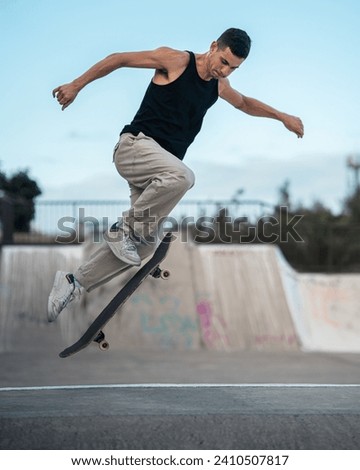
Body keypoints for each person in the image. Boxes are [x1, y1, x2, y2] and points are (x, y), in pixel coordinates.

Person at [48, 27, 304, 322]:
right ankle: (123, 230)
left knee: (143, 246)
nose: (224, 71)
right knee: (183, 177)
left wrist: (282, 117)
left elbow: (244, 103)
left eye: (233, 68)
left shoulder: (219, 86)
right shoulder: (175, 61)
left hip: (156, 170)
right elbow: (119, 59)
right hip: (134, 147)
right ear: (212, 46)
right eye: (223, 61)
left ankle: (73, 283)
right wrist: (76, 85)